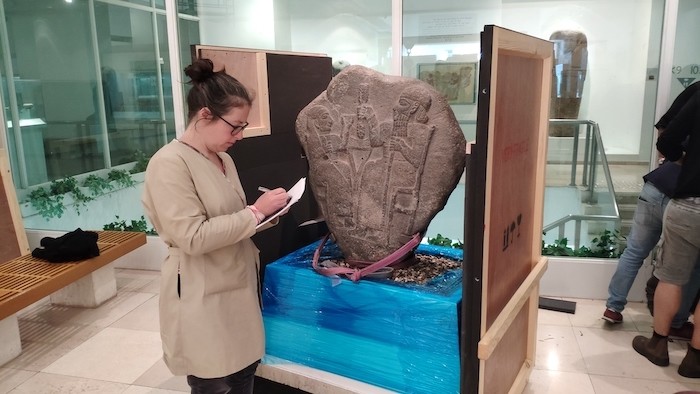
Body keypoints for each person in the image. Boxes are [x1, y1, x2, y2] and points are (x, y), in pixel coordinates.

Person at [141, 58, 290, 394]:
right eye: (234, 126)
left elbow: (230, 219)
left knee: (243, 372)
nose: (239, 135)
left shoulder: (224, 159)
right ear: (205, 114)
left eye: (243, 126)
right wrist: (253, 213)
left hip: (237, 282)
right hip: (201, 290)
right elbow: (191, 236)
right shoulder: (169, 164)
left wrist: (266, 214)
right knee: (213, 378)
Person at [602, 81, 700, 342]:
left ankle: (613, 307)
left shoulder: (694, 93)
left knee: (634, 250)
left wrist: (676, 157)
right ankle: (676, 321)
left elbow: (664, 132)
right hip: (684, 197)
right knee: (687, 268)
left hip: (657, 184)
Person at [632, 90, 700, 377]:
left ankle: (658, 345)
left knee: (670, 276)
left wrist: (685, 161)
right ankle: (695, 358)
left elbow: (667, 138)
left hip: (691, 202)